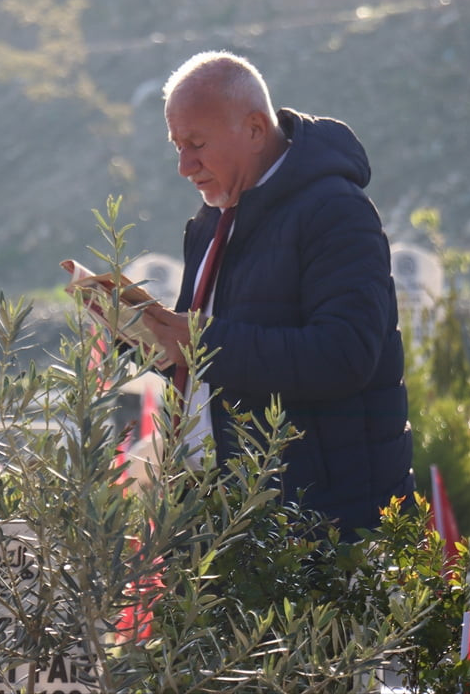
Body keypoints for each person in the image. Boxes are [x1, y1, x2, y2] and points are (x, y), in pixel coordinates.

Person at [140, 50, 413, 534]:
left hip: (320, 528)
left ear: (254, 129)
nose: (185, 165)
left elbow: (344, 355)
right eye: (176, 145)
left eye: (197, 143)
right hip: (222, 521)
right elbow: (205, 361)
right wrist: (143, 334)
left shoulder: (336, 213)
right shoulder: (210, 224)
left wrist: (203, 343)